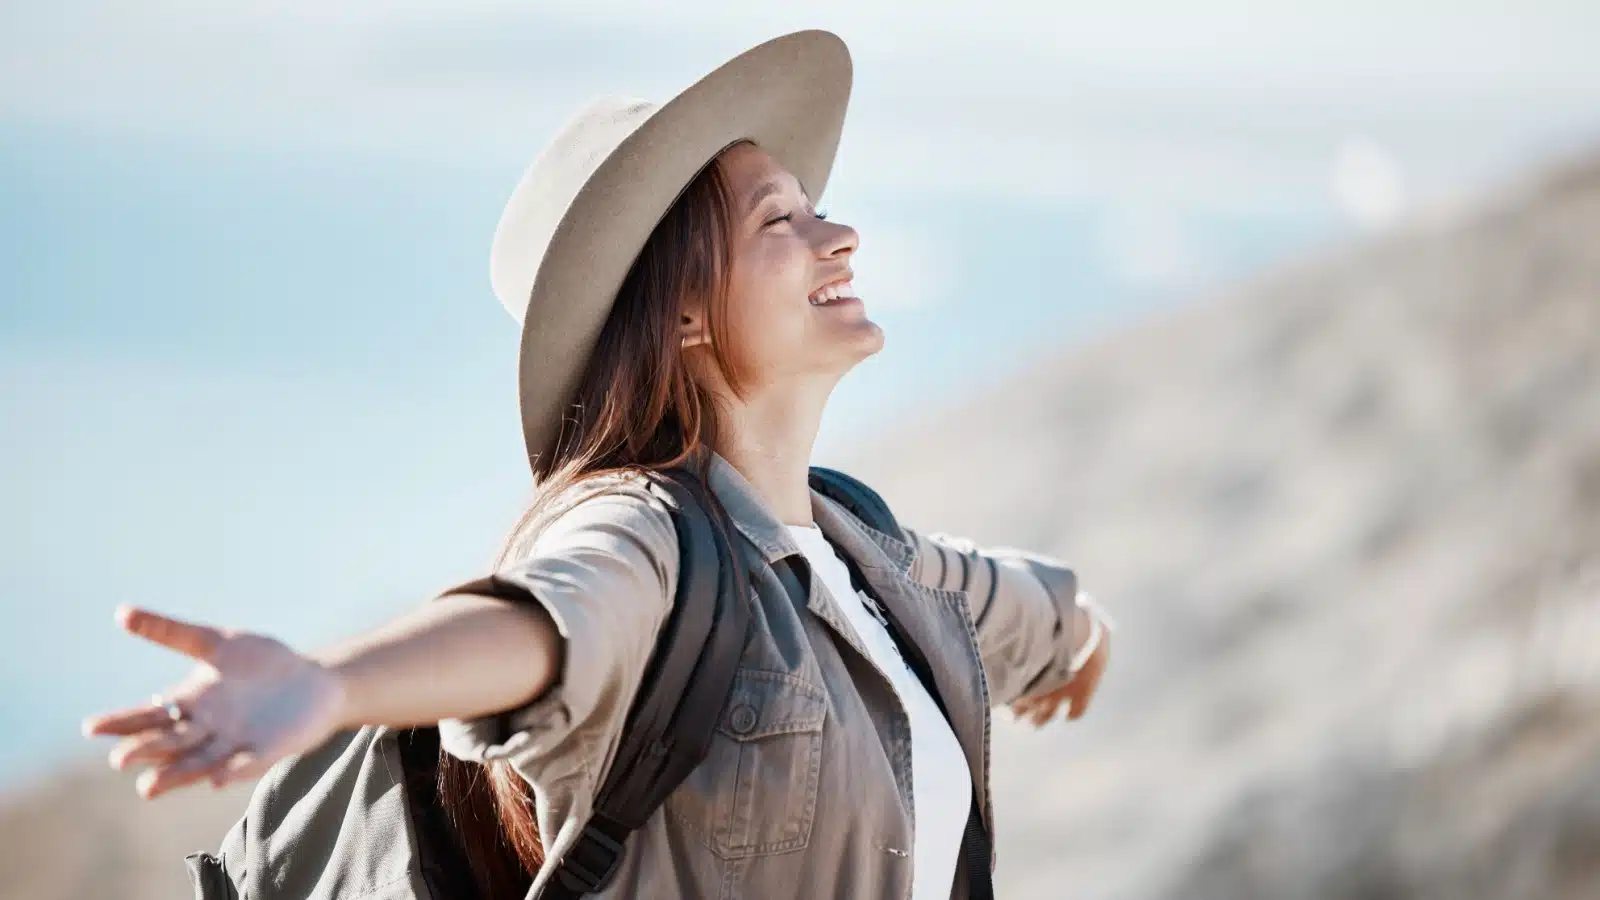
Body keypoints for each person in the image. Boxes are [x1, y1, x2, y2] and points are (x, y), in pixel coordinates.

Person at [80, 30, 1113, 900]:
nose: (838, 235)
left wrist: (1076, 635)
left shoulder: (868, 557)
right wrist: (335, 683)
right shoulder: (640, 535)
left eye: (816, 207)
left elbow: (1008, 605)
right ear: (681, 309)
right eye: (780, 221)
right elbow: (543, 623)